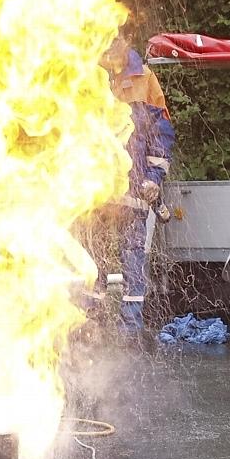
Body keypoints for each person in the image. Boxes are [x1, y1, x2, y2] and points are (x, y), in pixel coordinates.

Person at [92, 29, 175, 334]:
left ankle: (131, 329)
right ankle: (90, 325)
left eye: (114, 41)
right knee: (90, 257)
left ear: (126, 40)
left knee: (133, 256)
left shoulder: (145, 78)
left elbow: (162, 133)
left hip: (133, 193)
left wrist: (154, 177)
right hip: (94, 192)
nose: (109, 49)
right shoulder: (83, 76)